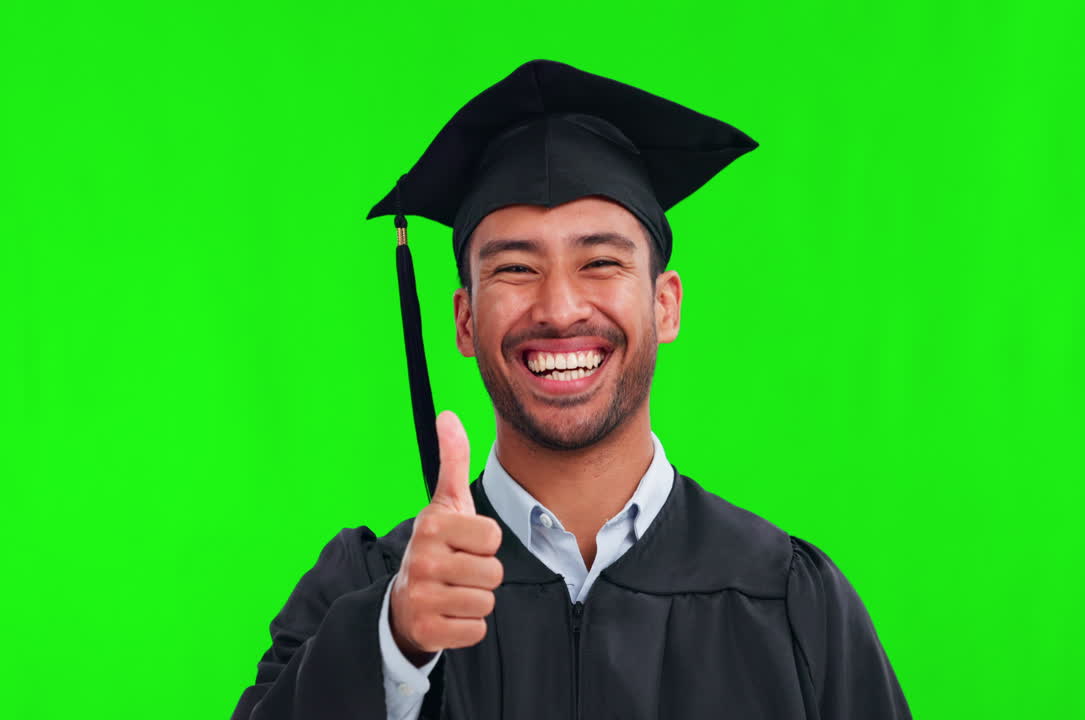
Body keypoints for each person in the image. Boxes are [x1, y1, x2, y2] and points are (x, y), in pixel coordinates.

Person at [231, 60, 911, 720]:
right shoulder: (370, 593)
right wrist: (394, 647)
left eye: (600, 262)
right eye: (517, 268)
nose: (559, 308)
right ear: (465, 322)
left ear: (665, 305)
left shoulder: (789, 601)